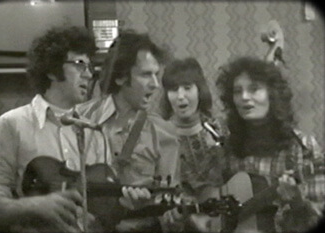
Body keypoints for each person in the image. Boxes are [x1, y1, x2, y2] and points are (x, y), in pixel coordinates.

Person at [0, 26, 148, 233]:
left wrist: (126, 205)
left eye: (90, 67)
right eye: (79, 64)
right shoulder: (13, 124)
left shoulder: (95, 133)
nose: (88, 74)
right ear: (51, 69)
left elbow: (104, 221)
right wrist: (33, 206)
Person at [76, 29, 181, 232]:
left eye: (156, 75)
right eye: (146, 75)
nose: (156, 84)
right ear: (120, 77)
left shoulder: (164, 133)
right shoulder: (80, 119)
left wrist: (175, 219)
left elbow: (170, 211)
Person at [215, 56, 325, 233]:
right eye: (237, 91)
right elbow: (212, 206)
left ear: (272, 95)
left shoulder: (302, 147)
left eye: (254, 89)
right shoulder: (227, 147)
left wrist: (297, 202)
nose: (244, 97)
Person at [159, 57, 226, 232]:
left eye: (187, 88)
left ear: (199, 90)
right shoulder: (158, 137)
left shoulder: (220, 130)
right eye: (173, 90)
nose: (181, 96)